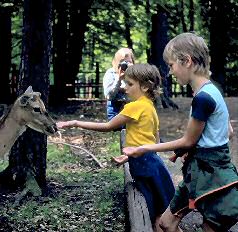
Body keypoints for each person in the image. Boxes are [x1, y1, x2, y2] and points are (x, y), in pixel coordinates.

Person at [123, 32, 238, 232]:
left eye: (171, 65)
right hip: (199, 171)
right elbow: (227, 131)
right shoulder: (212, 90)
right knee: (166, 223)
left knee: (209, 226)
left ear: (187, 61)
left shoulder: (203, 98)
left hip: (212, 175)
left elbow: (187, 141)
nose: (170, 72)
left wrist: (144, 148)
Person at [58, 64, 175, 231]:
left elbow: (108, 126)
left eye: (129, 84)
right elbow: (152, 140)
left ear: (145, 86)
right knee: (160, 214)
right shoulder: (150, 106)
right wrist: (129, 156)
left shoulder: (134, 106)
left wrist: (75, 122)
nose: (124, 87)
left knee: (155, 215)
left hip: (144, 168)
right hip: (153, 163)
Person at [103, 47, 135, 121]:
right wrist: (119, 79)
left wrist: (132, 75)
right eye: (122, 62)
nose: (126, 65)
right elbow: (109, 96)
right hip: (116, 111)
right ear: (116, 62)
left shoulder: (135, 74)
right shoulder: (111, 73)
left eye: (129, 62)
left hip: (132, 110)